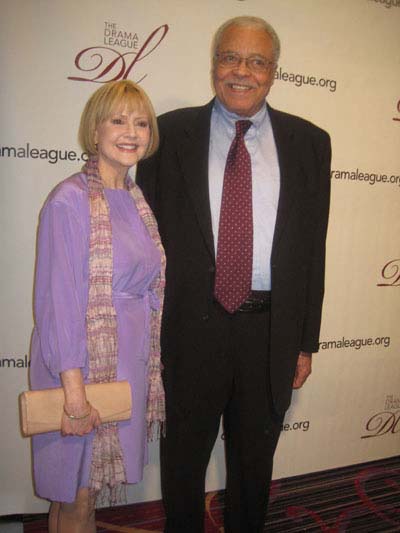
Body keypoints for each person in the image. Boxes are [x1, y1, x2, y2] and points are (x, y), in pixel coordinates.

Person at [136, 15, 331, 533]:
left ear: (273, 71)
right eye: (230, 57)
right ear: (213, 64)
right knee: (182, 462)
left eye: (257, 61)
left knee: (253, 467)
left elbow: (314, 250)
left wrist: (305, 342)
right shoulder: (168, 133)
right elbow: (146, 242)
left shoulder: (311, 143)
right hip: (189, 329)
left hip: (269, 333)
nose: (241, 71)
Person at [30, 80, 165, 533]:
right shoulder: (68, 200)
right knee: (77, 498)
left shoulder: (136, 200)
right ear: (95, 131)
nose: (131, 132)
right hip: (79, 368)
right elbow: (58, 303)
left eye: (141, 122)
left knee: (83, 498)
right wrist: (73, 393)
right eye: (119, 120)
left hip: (125, 365)